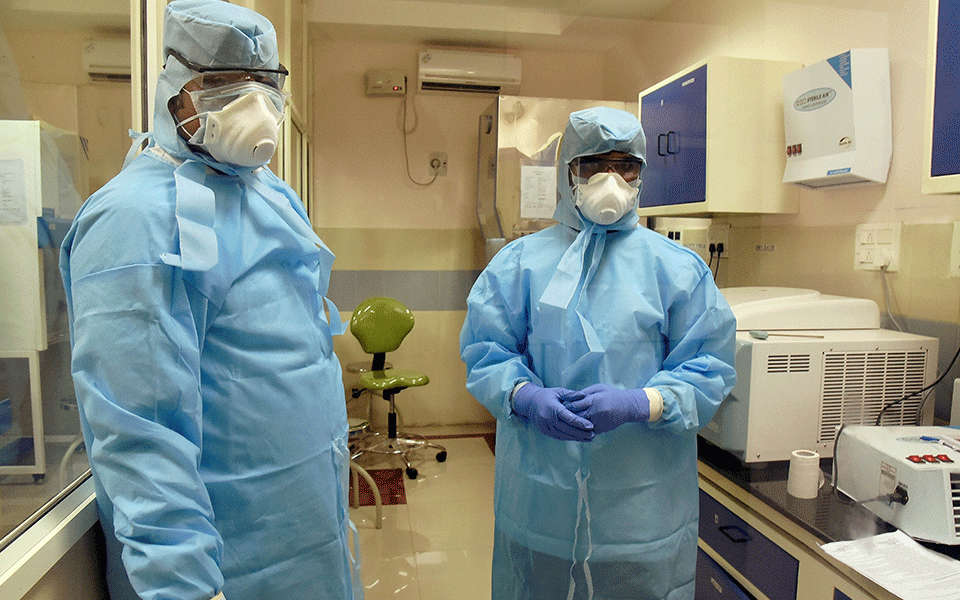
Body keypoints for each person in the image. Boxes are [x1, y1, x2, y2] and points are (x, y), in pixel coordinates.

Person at [59, 2, 360, 599]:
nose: (253, 105)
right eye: (223, 84)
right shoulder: (134, 220)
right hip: (232, 562)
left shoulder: (268, 194)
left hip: (307, 537)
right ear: (176, 86)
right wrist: (187, 587)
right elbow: (142, 439)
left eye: (265, 84)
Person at [460, 106, 737, 600]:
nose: (611, 179)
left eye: (625, 165)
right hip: (541, 501)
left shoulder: (677, 269)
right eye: (593, 164)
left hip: (642, 512)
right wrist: (525, 396)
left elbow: (709, 366)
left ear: (641, 173)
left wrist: (642, 403)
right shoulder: (518, 264)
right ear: (568, 171)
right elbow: (486, 351)